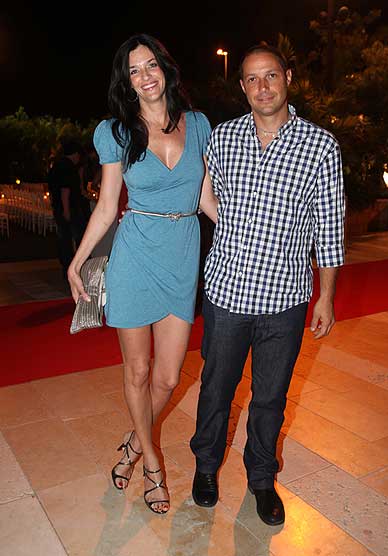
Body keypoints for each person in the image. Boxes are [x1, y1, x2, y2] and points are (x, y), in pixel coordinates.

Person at [190, 42, 345, 526]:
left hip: (284, 299)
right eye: (253, 79)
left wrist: (326, 296)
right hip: (227, 293)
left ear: (288, 78)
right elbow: (204, 191)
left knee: (270, 398)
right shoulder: (224, 138)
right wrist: (230, 224)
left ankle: (261, 478)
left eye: (271, 75)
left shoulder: (320, 146)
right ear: (242, 87)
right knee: (216, 388)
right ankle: (206, 466)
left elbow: (329, 228)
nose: (263, 87)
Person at [67, 33, 217, 515]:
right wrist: (77, 259)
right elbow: (108, 205)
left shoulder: (198, 124)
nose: (145, 76)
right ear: (127, 82)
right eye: (134, 70)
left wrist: (246, 231)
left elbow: (204, 196)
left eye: (150, 65)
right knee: (138, 370)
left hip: (182, 253)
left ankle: (135, 440)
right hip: (135, 255)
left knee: (168, 378)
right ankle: (151, 462)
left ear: (165, 69)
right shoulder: (115, 132)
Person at [47, 139, 89, 281]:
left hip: (59, 207)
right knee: (79, 238)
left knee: (64, 239)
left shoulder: (56, 165)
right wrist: (66, 210)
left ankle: (66, 268)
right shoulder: (68, 167)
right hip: (70, 208)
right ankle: (81, 269)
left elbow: (52, 189)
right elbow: (65, 190)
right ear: (76, 154)